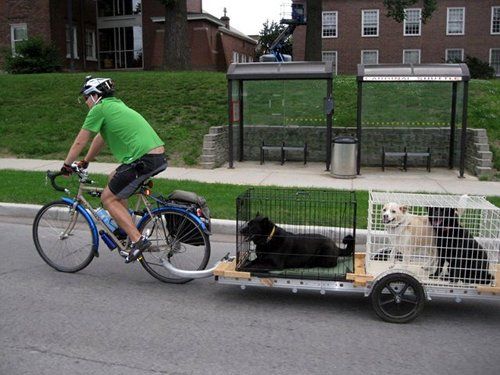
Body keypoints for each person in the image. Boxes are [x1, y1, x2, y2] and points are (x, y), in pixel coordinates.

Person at [61, 76, 167, 263]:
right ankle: (125, 229)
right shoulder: (115, 105)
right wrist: (86, 161)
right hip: (156, 156)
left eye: (86, 98)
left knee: (107, 198)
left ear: (95, 95)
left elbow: (80, 140)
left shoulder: (99, 109)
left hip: (144, 159)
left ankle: (137, 240)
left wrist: (66, 165)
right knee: (114, 178)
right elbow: (100, 138)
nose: (85, 102)